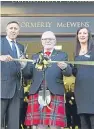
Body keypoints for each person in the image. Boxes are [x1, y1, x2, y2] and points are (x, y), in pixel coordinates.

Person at [23, 31, 72, 129]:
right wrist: (24, 65)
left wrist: (64, 67)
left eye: (51, 39)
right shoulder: (35, 56)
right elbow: (27, 75)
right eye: (45, 39)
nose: (48, 41)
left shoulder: (62, 55)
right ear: (41, 41)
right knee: (40, 125)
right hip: (37, 91)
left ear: (55, 41)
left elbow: (68, 72)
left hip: (55, 91)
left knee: (55, 125)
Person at [0, 21, 25, 129]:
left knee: (14, 123)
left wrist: (24, 65)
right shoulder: (0, 42)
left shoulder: (21, 47)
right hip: (2, 87)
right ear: (6, 30)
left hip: (17, 89)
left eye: (15, 28)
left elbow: (21, 67)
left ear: (18, 31)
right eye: (11, 28)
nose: (13, 30)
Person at [72, 27, 94, 129]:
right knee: (83, 122)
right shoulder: (76, 53)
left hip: (92, 88)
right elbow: (76, 72)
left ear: (88, 35)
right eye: (80, 33)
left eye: (84, 33)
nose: (82, 35)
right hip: (80, 89)